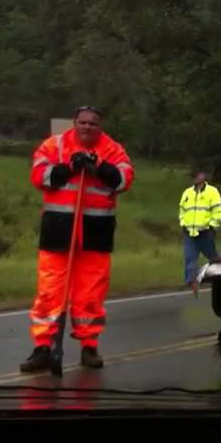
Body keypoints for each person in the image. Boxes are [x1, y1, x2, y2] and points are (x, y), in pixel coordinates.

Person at [20, 106, 134, 372]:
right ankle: (43, 348)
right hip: (58, 230)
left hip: (96, 232)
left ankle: (89, 347)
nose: (86, 127)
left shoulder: (113, 150)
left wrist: (100, 168)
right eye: (82, 123)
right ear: (74, 123)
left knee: (91, 295)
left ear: (100, 126)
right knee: (49, 292)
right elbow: (39, 176)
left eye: (92, 124)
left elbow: (124, 180)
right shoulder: (55, 145)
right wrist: (69, 167)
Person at [179, 170, 221, 285]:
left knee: (212, 257)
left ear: (203, 176)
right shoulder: (187, 193)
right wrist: (183, 223)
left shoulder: (212, 192)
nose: (195, 178)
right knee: (190, 257)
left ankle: (219, 278)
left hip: (205, 232)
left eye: (197, 175)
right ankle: (190, 282)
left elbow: (219, 211)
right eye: (193, 176)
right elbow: (182, 210)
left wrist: (212, 226)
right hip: (189, 231)